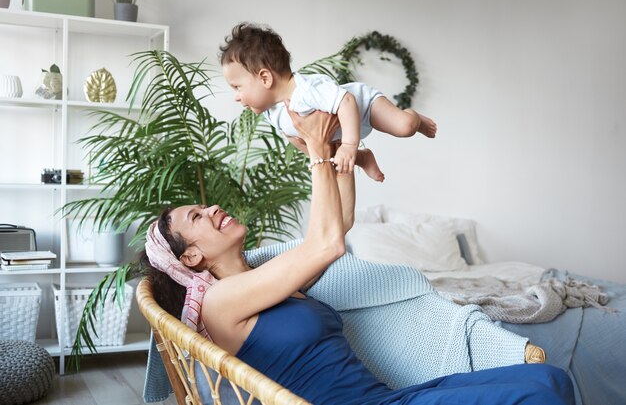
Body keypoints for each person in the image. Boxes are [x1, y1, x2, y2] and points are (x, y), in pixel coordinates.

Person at [143, 107, 574, 405]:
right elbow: (325, 244)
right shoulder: (221, 303)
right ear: (193, 258)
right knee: (541, 393)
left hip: (383, 396)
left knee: (549, 378)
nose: (213, 209)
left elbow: (338, 226)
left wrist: (335, 156)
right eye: (197, 217)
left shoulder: (266, 274)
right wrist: (314, 152)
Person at [219, 22, 438, 184]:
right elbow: (304, 143)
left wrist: (349, 145)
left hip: (364, 107)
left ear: (265, 78)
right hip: (338, 133)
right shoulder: (272, 112)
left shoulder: (305, 90)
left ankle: (414, 117)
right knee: (303, 141)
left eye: (237, 87)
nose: (236, 96)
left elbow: (348, 102)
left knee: (403, 128)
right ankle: (364, 158)